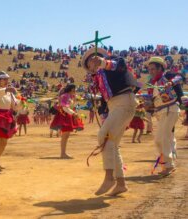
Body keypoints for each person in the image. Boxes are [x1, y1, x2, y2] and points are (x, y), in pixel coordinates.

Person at [82, 47, 138, 196]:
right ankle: (120, 183)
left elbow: (119, 65)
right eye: (89, 66)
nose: (92, 66)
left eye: (93, 62)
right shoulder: (99, 78)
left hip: (123, 102)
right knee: (112, 143)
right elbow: (105, 100)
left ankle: (109, 178)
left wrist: (102, 62)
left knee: (104, 136)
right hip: (116, 105)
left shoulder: (114, 62)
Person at [147, 56, 183, 176]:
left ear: (160, 68)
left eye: (153, 69)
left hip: (170, 110)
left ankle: (168, 164)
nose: (150, 71)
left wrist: (170, 82)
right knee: (168, 137)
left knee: (161, 138)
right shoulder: (153, 84)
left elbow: (180, 77)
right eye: (149, 69)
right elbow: (155, 102)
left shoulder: (167, 76)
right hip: (162, 112)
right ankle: (169, 162)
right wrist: (146, 105)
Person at [49, 84, 79, 159]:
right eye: (74, 89)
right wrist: (73, 113)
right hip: (65, 115)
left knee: (66, 135)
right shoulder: (65, 96)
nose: (75, 91)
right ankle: (63, 153)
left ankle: (63, 153)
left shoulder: (69, 96)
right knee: (65, 135)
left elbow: (70, 106)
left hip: (67, 115)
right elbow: (64, 107)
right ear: (72, 89)